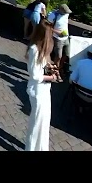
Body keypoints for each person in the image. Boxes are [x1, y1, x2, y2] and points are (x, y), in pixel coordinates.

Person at [25, 20, 58, 151]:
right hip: (37, 90)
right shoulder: (34, 49)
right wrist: (51, 77)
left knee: (44, 122)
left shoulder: (42, 48)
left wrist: (50, 67)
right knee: (36, 123)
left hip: (44, 89)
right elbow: (35, 75)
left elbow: (41, 66)